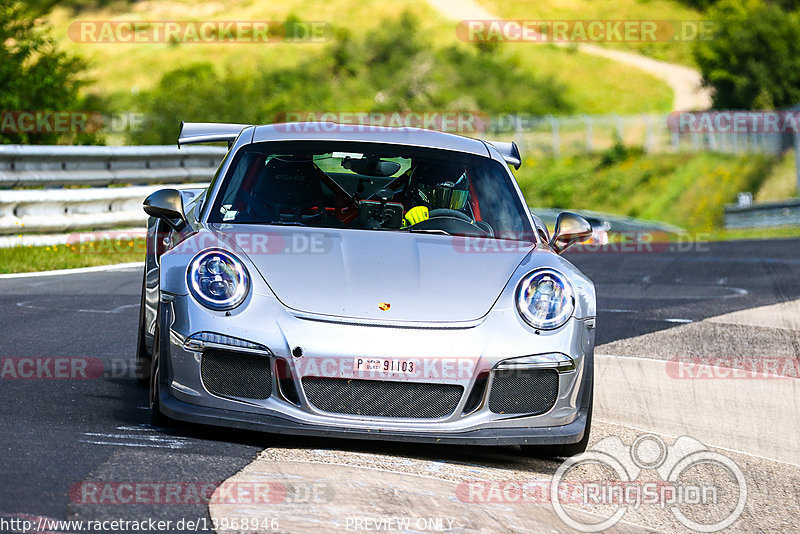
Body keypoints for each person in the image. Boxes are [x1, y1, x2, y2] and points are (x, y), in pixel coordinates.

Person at [401, 161, 470, 227]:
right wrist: (406, 222)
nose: (445, 209)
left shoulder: (469, 222)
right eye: (438, 197)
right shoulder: (402, 211)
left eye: (455, 198)